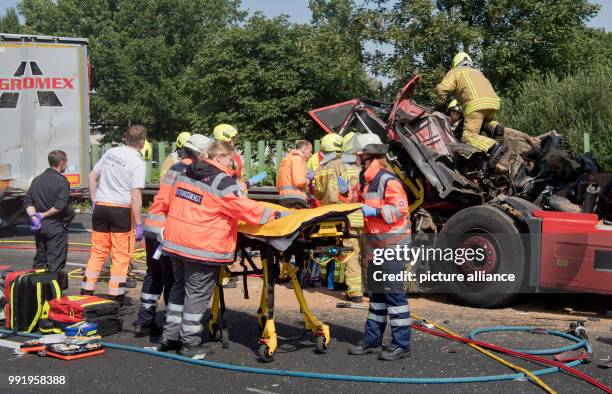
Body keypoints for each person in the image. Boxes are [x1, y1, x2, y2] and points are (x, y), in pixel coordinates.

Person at [158, 141, 287, 358]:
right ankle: (189, 343)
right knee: (197, 294)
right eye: (230, 159)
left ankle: (169, 337)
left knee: (180, 288)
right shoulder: (221, 181)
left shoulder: (187, 171)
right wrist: (272, 215)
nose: (233, 164)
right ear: (219, 158)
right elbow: (242, 207)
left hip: (176, 240)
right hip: (201, 245)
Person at [342, 133, 412, 361]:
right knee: (377, 297)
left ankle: (401, 344)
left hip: (392, 246)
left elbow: (399, 209)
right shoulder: (367, 180)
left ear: (367, 156)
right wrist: (346, 194)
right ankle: (372, 341)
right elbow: (357, 202)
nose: (355, 160)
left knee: (394, 297)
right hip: (376, 247)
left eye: (357, 156)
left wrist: (377, 211)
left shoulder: (387, 180)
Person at [133, 134, 212, 337]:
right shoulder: (189, 172)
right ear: (201, 153)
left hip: (153, 225)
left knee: (153, 274)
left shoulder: (174, 168)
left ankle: (145, 321)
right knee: (173, 279)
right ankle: (172, 327)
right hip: (166, 230)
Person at [81, 125, 147, 305]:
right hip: (121, 210)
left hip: (101, 207)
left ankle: (86, 291)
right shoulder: (137, 162)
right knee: (120, 256)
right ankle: (115, 297)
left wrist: (94, 201)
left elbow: (91, 177)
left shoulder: (111, 153)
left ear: (126, 138)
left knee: (97, 252)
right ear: (142, 142)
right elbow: (135, 195)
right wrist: (139, 224)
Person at [313, 132, 364, 302]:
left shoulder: (320, 168)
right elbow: (357, 188)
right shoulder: (348, 164)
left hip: (330, 217)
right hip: (352, 214)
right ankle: (357, 291)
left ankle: (345, 288)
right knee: (355, 252)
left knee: (338, 252)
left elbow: (318, 194)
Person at [436, 52, 506, 167]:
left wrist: (440, 104)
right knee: (485, 122)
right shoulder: (478, 72)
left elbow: (442, 89)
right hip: (493, 103)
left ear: (455, 63)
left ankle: (494, 146)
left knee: (468, 136)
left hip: (475, 105)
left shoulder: (455, 71)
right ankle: (495, 126)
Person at [24, 150, 72, 273]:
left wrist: (34, 217)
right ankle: (53, 291)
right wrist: (43, 215)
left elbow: (28, 202)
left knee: (40, 261)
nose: (66, 166)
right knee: (55, 264)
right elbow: (59, 206)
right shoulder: (62, 181)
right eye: (66, 163)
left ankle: (37, 290)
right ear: (61, 163)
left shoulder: (36, 180)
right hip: (55, 227)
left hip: (39, 228)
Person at [277, 140, 313, 208]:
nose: (311, 155)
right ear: (304, 149)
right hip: (296, 200)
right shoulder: (298, 158)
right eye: (310, 151)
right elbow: (299, 181)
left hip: (284, 198)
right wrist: (308, 179)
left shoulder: (287, 159)